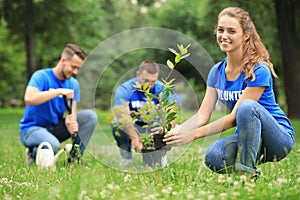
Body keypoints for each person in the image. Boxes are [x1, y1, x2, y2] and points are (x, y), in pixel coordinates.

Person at [162, 7, 295, 176]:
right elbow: (202, 116)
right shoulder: (216, 72)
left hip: (277, 139)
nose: (224, 36)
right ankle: (252, 168)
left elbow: (233, 119)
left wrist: (193, 135)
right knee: (214, 156)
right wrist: (178, 132)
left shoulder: (258, 70)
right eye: (220, 30)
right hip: (246, 139)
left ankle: (246, 174)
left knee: (246, 107)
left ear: (246, 35)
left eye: (231, 31)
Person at [20, 44, 98, 165]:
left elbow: (71, 112)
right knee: (53, 144)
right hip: (31, 129)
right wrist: (58, 91)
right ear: (63, 60)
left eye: (78, 68)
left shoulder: (73, 84)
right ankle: (33, 153)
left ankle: (74, 160)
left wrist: (71, 121)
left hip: (55, 128)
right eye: (73, 67)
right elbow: (29, 98)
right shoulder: (41, 76)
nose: (75, 72)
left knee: (90, 117)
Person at [112, 60, 175, 168]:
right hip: (134, 125)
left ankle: (160, 155)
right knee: (117, 123)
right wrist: (134, 138)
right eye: (146, 80)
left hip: (154, 127)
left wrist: (165, 131)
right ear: (138, 74)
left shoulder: (162, 89)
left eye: (153, 81)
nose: (149, 85)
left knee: (174, 128)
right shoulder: (125, 89)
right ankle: (127, 158)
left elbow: (171, 114)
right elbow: (122, 115)